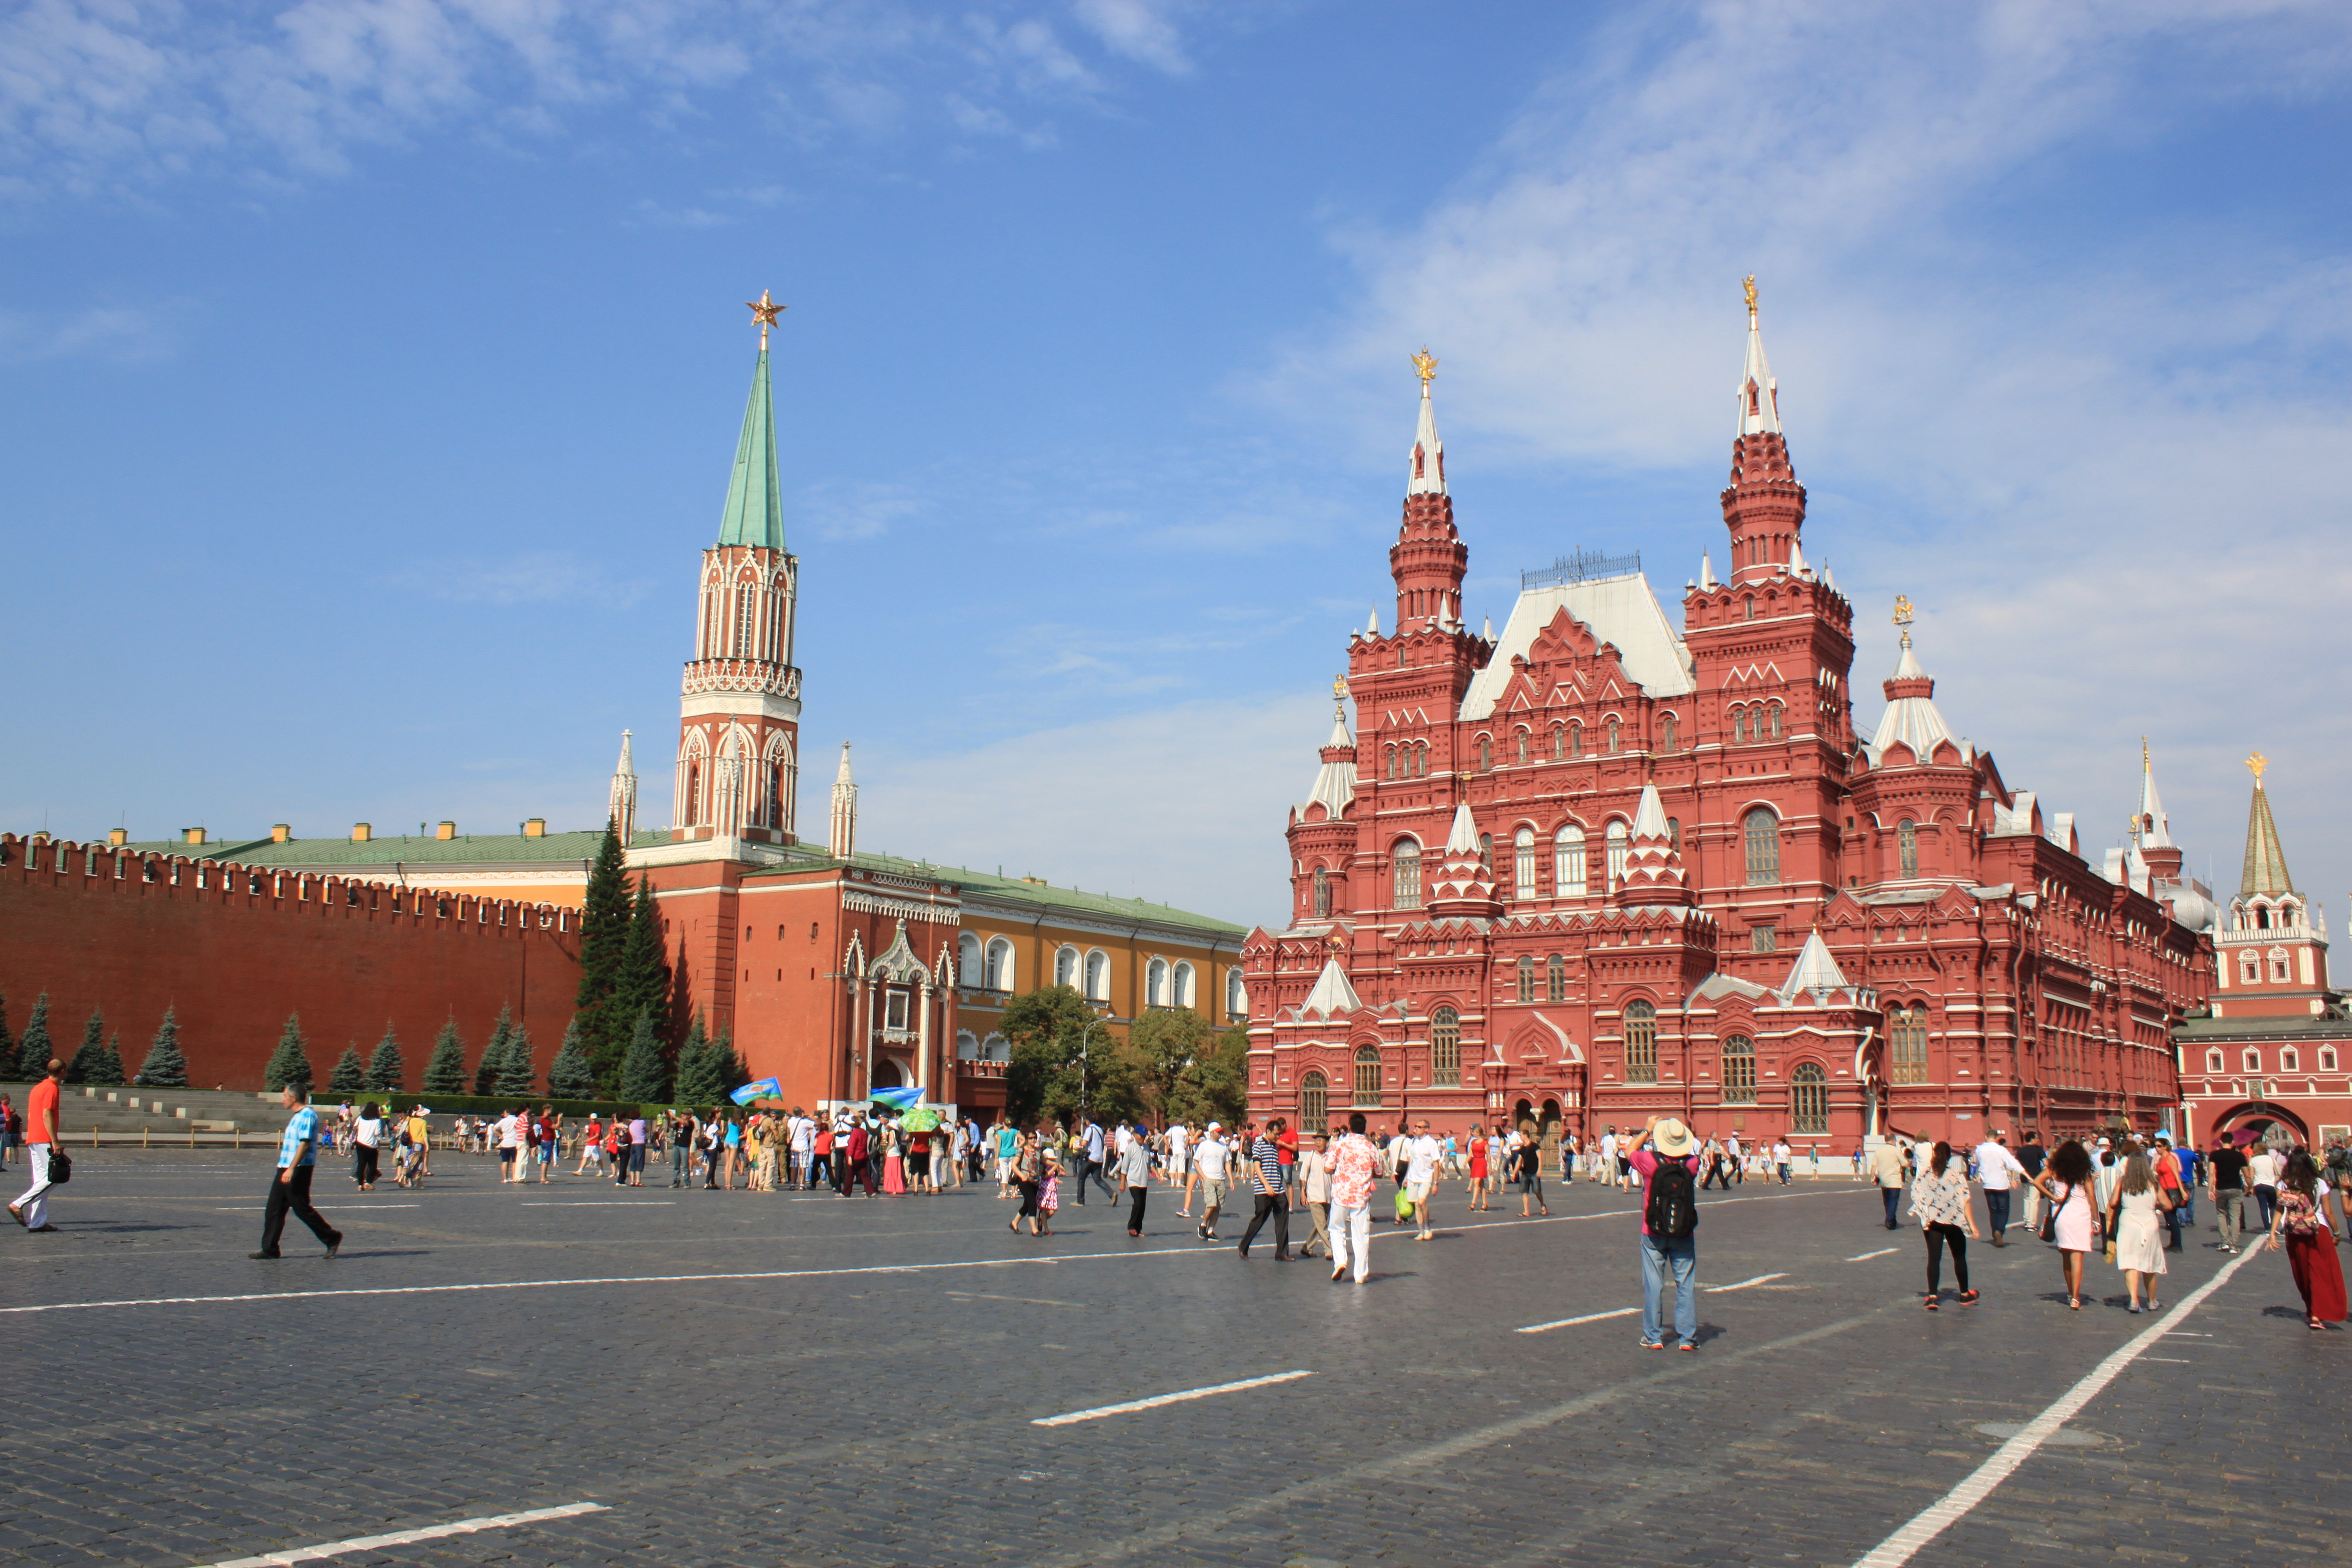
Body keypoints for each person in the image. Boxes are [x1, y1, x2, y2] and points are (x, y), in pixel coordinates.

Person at [1629, 1116, 1702, 1350]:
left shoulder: (1649, 1162)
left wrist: (1646, 1130)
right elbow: (1692, 1156)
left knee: (1653, 1285)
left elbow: (1629, 1151)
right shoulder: (1691, 1164)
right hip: (1683, 1232)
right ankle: (1688, 1339)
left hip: (1653, 1231)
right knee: (1685, 1285)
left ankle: (1654, 1337)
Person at [252, 1083, 342, 1260]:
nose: (283, 1100)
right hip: (285, 1167)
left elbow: (305, 1143)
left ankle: (332, 1237)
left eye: (285, 1096)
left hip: (299, 1169)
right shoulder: (297, 1116)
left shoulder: (307, 1115)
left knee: (301, 1208)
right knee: (274, 1209)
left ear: (294, 1098)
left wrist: (292, 1169)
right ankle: (270, 1249)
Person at [2264, 1149, 2346, 1330]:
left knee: (2302, 1271)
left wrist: (2272, 1233)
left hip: (2294, 1231)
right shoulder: (2320, 1183)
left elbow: (2279, 1209)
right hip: (2319, 1231)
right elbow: (2329, 1212)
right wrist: (2337, 1232)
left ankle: (2312, 1311)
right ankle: (2317, 1314)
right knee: (2321, 1272)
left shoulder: (2285, 1185)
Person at [1910, 1141, 1980, 1309]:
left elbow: (1916, 1194)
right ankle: (1964, 1295)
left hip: (1933, 1222)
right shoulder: (1956, 1175)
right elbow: (1966, 1201)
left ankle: (1933, 1297)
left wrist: (1924, 1215)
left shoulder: (1925, 1173)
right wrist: (1972, 1226)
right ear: (1950, 1157)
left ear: (1934, 1154)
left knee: (1934, 1258)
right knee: (1959, 1257)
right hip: (1953, 1222)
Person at [2031, 1139, 2098, 1311]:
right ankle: (2075, 1297)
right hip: (2081, 1214)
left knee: (2066, 1256)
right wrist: (2096, 1220)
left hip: (2062, 1214)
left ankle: (2070, 1292)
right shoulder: (2084, 1173)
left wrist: (2052, 1197)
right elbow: (2092, 1198)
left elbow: (2036, 1181)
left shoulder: (2054, 1170)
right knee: (2078, 1257)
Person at [2107, 1153, 2172, 1314]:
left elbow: (2113, 1202)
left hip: (2129, 1223)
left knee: (2131, 1263)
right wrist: (2156, 1207)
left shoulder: (2123, 1181)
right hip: (2149, 1223)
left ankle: (2134, 1301)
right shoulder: (2153, 1183)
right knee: (2149, 1264)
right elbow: (2168, 1205)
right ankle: (2151, 1301)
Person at [7, 1057, 64, 1232]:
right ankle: (19, 1204)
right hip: (44, 1138)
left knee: (41, 1180)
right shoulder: (52, 1088)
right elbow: (47, 1114)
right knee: (55, 1177)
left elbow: (32, 1114)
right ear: (62, 1072)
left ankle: (37, 1222)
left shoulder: (38, 1088)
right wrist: (54, 1140)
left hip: (34, 1137)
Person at [1326, 1113, 1379, 1285]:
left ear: (1349, 1127)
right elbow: (1380, 1172)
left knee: (1336, 1228)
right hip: (1361, 1197)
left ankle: (1340, 1262)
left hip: (1341, 1194)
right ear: (1364, 1128)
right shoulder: (1370, 1147)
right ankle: (1360, 1275)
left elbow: (1328, 1168)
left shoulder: (1339, 1144)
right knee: (1361, 1235)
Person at [1237, 1118, 1293, 1261]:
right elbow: (1257, 1167)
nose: (1278, 1137)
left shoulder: (1275, 1146)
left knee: (1282, 1219)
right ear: (1268, 1131)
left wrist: (1276, 1185)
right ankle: (1244, 1245)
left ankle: (1282, 1252)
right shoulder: (1258, 1145)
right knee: (1260, 1219)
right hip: (1263, 1190)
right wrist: (1267, 1185)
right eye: (1276, 1134)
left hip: (1278, 1189)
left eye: (1279, 1134)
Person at [1971, 1129, 2025, 1246]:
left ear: (1986, 1136)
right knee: (2004, 1210)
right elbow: (2013, 1164)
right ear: (1996, 1138)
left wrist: (1979, 1176)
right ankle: (1999, 1231)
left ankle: (1995, 1233)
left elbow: (1976, 1164)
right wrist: (2024, 1173)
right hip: (2001, 1184)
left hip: (1988, 1184)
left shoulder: (1979, 1149)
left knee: (1993, 1211)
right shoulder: (2001, 1150)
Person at [1399, 1117, 1442, 1242]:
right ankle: (1421, 1231)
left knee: (1421, 1203)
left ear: (1426, 1129)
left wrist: (1436, 1183)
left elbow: (1436, 1164)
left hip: (1426, 1178)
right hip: (1413, 1178)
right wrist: (1406, 1178)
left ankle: (1428, 1228)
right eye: (1416, 1126)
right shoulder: (1414, 1142)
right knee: (1416, 1205)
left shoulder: (1431, 1143)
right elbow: (1412, 1162)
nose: (1416, 1129)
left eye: (1419, 1127)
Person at [2207, 1134, 2249, 1253]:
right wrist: (2250, 1186)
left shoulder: (2215, 1155)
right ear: (2233, 1142)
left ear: (2221, 1141)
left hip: (2221, 1188)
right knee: (2235, 1217)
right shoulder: (2239, 1155)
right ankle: (2234, 1246)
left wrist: (2210, 1189)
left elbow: (2211, 1173)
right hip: (2236, 1188)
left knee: (2221, 1214)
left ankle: (2224, 1243)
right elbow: (2247, 1174)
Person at [1297, 1132, 1333, 1258]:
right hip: (1314, 1196)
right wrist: (1303, 1193)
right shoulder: (1310, 1157)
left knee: (1319, 1224)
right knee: (1322, 1225)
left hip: (1328, 1196)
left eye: (1321, 1140)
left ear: (1327, 1142)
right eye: (1316, 1140)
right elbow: (1303, 1177)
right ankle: (1329, 1250)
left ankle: (1307, 1248)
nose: (1318, 1143)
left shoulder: (1331, 1157)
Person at [1195, 1122, 1232, 1241]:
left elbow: (1227, 1163)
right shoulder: (1204, 1145)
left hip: (1220, 1179)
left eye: (1221, 1131)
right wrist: (1203, 1177)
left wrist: (1231, 1179)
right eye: (1218, 1131)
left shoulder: (1224, 1147)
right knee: (1211, 1205)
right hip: (1208, 1179)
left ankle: (1211, 1231)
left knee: (1217, 1208)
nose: (1221, 1133)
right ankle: (1203, 1225)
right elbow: (1196, 1162)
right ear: (1212, 1132)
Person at [1118, 1123, 1153, 1237]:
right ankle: (1131, 1226)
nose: (1142, 1138)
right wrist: (1123, 1183)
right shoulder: (1131, 1148)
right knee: (1137, 1203)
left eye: (1144, 1136)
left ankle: (1138, 1229)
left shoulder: (1146, 1148)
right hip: (1133, 1181)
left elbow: (1150, 1164)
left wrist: (1157, 1174)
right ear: (1135, 1135)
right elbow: (1124, 1167)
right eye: (1140, 1136)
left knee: (1143, 1206)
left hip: (1144, 1181)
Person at [1867, 1138, 1908, 1229]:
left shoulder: (1879, 1151)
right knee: (1893, 1201)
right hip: (1894, 1180)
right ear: (1893, 1141)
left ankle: (1893, 1220)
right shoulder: (1896, 1150)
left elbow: (1874, 1166)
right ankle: (1889, 1221)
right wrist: (1910, 1162)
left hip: (1884, 1181)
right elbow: (1904, 1164)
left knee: (1887, 1202)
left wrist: (1873, 1178)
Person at [2015, 1130, 2048, 1235]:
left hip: (2024, 1177)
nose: (2038, 1140)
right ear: (2033, 1139)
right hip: (2036, 1177)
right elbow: (2045, 1163)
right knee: (2034, 1200)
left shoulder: (2021, 1150)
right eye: (2037, 1138)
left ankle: (2027, 1219)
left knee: (2027, 1199)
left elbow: (2017, 1164)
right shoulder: (2038, 1149)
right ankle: (2031, 1224)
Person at [1514, 1128, 1549, 1218]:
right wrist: (1514, 1173)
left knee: (1537, 1191)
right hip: (1525, 1173)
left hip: (1534, 1172)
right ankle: (1526, 1211)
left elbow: (1540, 1158)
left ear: (1526, 1135)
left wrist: (1540, 1170)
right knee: (1524, 1192)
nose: (1520, 1137)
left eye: (1521, 1135)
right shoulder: (1522, 1148)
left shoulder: (1535, 1146)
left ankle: (1542, 1204)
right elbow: (1519, 1161)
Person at [2248, 1142, 2281, 1230]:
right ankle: (2274, 1227)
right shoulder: (2271, 1159)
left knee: (2263, 1207)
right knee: (2273, 1206)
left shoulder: (2253, 1160)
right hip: (2271, 1185)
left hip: (2259, 1185)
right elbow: (2278, 1172)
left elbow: (2251, 1176)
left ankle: (2267, 1228)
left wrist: (2251, 1187)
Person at [1467, 1126, 1491, 1211]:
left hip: (1482, 1162)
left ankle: (1473, 1203)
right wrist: (1466, 1161)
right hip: (1475, 1162)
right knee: (1481, 1184)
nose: (1472, 1133)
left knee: (1476, 1183)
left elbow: (1488, 1155)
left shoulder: (1485, 1143)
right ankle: (1485, 1204)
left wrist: (1490, 1167)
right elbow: (1470, 1153)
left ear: (1478, 1133)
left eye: (1474, 1132)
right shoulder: (1473, 1142)